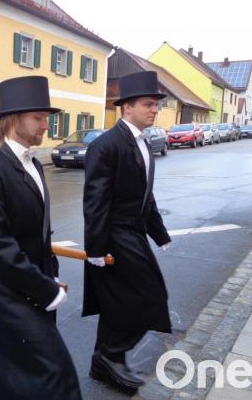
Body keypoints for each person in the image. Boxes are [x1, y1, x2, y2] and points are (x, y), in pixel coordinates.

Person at [0, 76, 81, 399]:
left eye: (47, 117)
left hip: (35, 283)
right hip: (6, 293)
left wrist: (51, 271)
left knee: (31, 377)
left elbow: (40, 229)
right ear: (14, 119)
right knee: (49, 372)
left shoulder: (35, 164)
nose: (46, 125)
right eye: (39, 118)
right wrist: (44, 287)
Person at [82, 71, 173, 393]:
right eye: (148, 104)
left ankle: (106, 360)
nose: (154, 110)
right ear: (127, 107)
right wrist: (94, 250)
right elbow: (95, 202)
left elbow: (146, 196)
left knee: (119, 302)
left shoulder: (143, 142)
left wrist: (159, 234)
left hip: (133, 234)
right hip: (114, 237)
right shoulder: (106, 145)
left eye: (155, 105)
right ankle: (109, 356)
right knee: (150, 297)